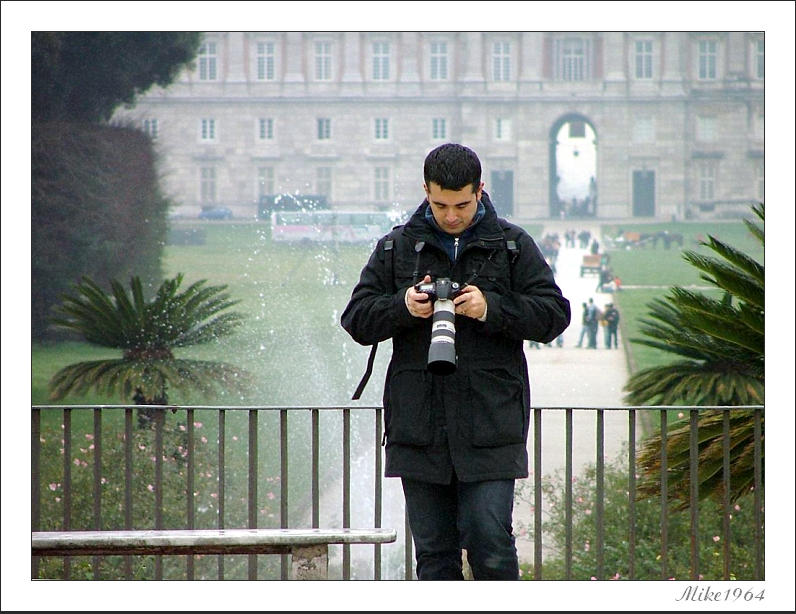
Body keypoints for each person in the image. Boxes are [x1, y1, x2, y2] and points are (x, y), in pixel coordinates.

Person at [341, 143, 571, 580]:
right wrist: (403, 306)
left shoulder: (512, 245)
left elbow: (555, 315)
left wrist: (490, 308)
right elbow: (356, 319)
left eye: (462, 204)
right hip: (419, 426)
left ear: (481, 191)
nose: (451, 216)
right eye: (440, 204)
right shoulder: (395, 247)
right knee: (434, 556)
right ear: (424, 191)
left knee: (491, 542)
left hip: (492, 422)